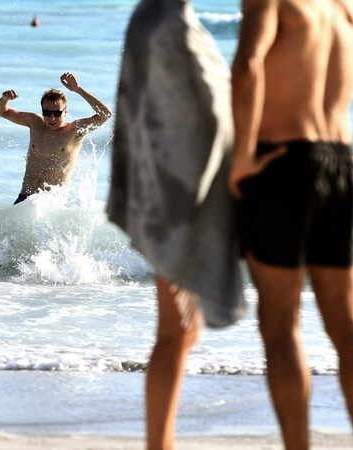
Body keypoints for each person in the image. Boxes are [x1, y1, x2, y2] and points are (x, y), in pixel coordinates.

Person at [228, 1, 353, 449]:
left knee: (279, 321)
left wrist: (241, 156)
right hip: (337, 163)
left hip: (281, 162)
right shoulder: (348, 7)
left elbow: (248, 65)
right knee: (346, 322)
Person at [106, 1, 245, 449]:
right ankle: (159, 443)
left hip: (167, 189)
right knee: (174, 331)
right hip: (178, 195)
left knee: (182, 331)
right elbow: (212, 107)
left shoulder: (152, 18)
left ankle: (160, 441)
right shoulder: (167, 23)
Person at [0, 72, 112, 204]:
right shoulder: (35, 122)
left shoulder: (74, 130)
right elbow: (1, 112)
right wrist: (4, 99)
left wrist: (78, 90)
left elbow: (105, 115)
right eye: (47, 112)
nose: (52, 118)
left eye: (57, 113)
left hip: (53, 205)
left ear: (65, 112)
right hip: (25, 200)